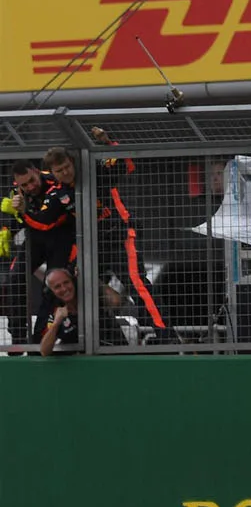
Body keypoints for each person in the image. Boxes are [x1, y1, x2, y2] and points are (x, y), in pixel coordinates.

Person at [45, 131, 167, 336]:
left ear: (72, 163)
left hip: (119, 237)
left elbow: (126, 165)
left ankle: (163, 333)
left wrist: (109, 143)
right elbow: (46, 222)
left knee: (137, 283)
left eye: (67, 167)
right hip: (91, 246)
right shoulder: (55, 193)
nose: (65, 172)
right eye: (59, 170)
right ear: (52, 172)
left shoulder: (94, 171)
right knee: (70, 283)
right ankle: (85, 335)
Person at [9, 160, 75, 322]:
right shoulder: (16, 191)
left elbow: (46, 222)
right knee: (15, 279)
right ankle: (18, 332)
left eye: (32, 180)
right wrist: (6, 231)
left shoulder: (56, 182)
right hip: (35, 239)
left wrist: (24, 212)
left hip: (61, 239)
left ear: (37, 171)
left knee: (51, 287)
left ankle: (45, 329)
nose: (30, 187)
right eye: (24, 185)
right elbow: (16, 219)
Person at [32, 267, 78, 356]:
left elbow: (111, 300)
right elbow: (44, 351)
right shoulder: (53, 310)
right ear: (52, 291)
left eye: (66, 282)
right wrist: (56, 324)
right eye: (57, 286)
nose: (64, 289)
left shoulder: (89, 296)